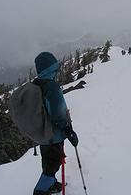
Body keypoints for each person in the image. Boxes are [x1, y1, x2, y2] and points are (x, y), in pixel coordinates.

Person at [33, 52, 78, 195]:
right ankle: (40, 191)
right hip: (53, 135)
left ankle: (51, 184)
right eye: (55, 67)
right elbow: (59, 113)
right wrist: (69, 131)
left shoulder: (37, 83)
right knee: (52, 164)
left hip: (42, 133)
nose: (57, 70)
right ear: (50, 68)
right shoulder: (51, 86)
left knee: (48, 162)